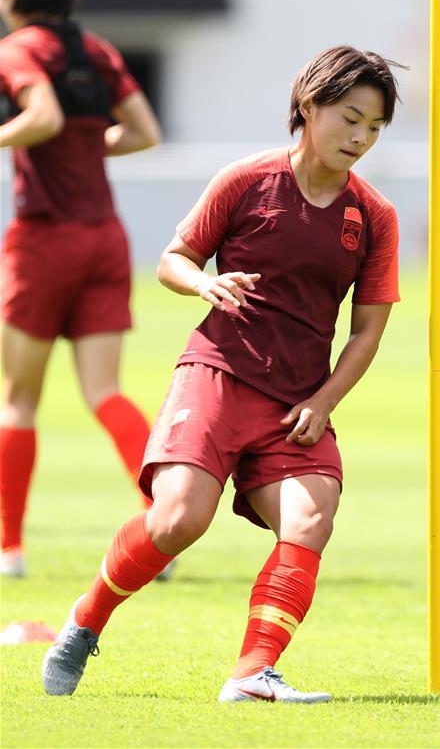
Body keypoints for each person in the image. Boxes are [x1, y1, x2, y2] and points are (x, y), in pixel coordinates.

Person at [42, 45, 402, 702]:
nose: (360, 137)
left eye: (375, 127)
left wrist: (324, 401)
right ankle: (85, 621)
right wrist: (203, 283)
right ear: (309, 106)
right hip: (217, 374)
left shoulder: (373, 215)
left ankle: (252, 673)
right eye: (350, 118)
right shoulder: (246, 179)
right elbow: (172, 260)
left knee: (310, 519)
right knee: (178, 519)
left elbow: (367, 331)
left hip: (297, 401)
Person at [0, 0, 162, 578]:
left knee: (19, 399)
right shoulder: (96, 50)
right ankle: (161, 523)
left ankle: (9, 549)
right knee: (104, 391)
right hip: (104, 239)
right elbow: (144, 132)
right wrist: (88, 145)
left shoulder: (17, 50)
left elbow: (41, 117)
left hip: (45, 239)